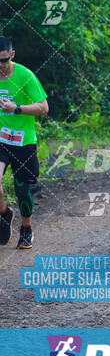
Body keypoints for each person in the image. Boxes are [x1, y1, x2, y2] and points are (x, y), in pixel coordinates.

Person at [0, 37, 48, 248]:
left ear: (12, 55)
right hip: (1, 139)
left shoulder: (26, 75)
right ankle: (4, 215)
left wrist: (16, 108)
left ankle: (26, 228)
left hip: (23, 142)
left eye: (3, 60)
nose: (0, 66)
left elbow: (43, 108)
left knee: (22, 190)